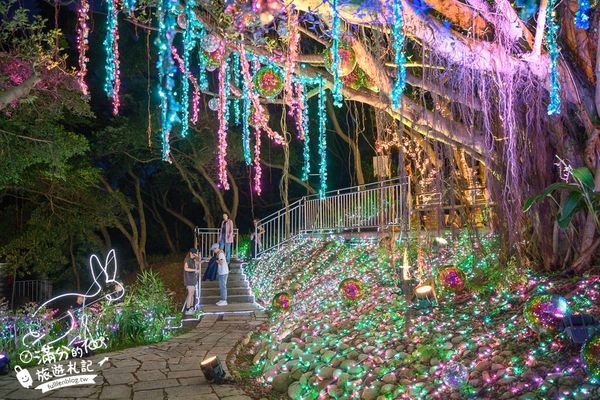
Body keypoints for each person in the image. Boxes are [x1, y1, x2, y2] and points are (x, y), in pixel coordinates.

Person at [183, 248, 200, 315]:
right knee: (190, 294)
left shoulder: (192, 260)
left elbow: (198, 262)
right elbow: (185, 268)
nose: (195, 255)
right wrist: (195, 270)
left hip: (193, 279)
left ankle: (191, 308)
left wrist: (198, 257)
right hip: (189, 279)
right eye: (194, 254)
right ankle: (187, 309)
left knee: (192, 294)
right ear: (191, 253)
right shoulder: (187, 259)